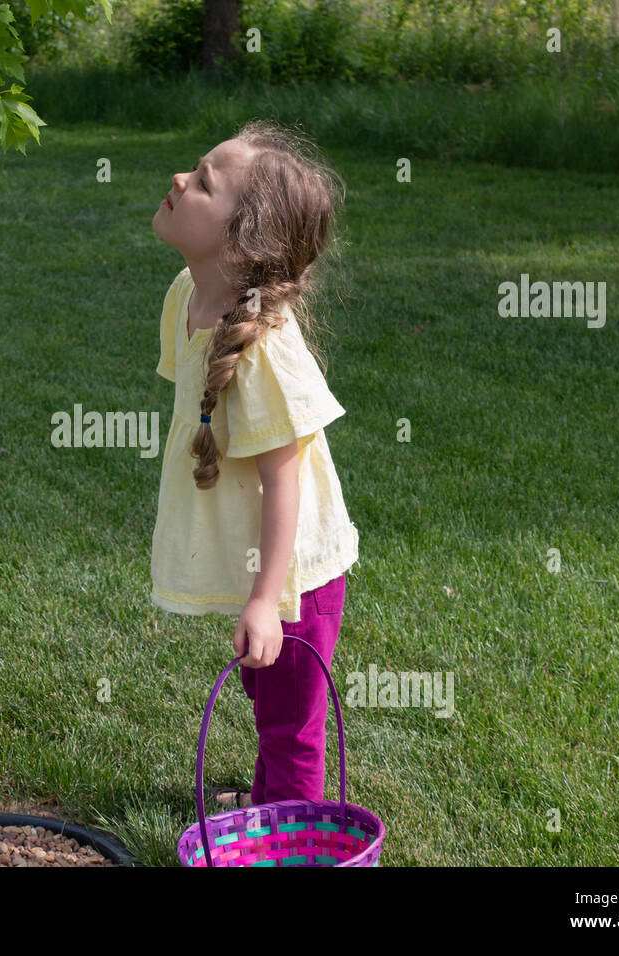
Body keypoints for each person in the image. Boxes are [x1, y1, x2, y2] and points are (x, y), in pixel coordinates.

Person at [149, 119, 359, 810]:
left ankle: (293, 841)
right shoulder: (187, 295)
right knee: (269, 705)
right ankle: (270, 815)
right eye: (195, 166)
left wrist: (267, 599)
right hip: (262, 570)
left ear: (243, 244)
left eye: (204, 182)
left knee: (293, 730)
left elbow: (282, 478)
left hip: (297, 575)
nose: (180, 179)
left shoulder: (265, 348)